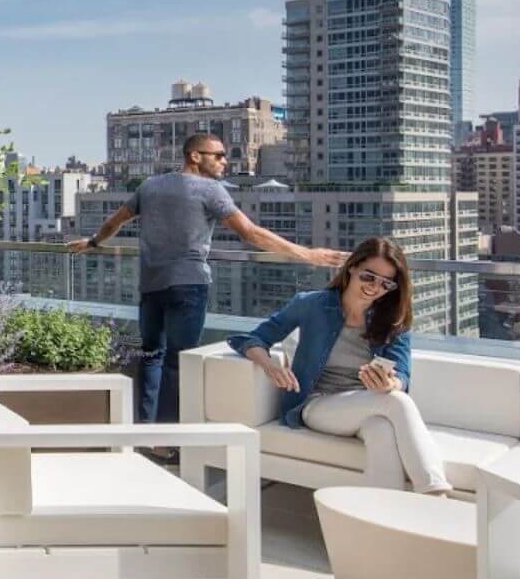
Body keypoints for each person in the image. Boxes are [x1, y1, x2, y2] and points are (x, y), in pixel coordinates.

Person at [69, 133, 347, 436]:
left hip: (151, 286)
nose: (225, 161)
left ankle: (147, 431)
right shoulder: (210, 190)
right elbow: (250, 233)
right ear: (195, 156)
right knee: (179, 362)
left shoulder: (149, 186)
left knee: (151, 356)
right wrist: (308, 254)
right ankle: (167, 439)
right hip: (189, 286)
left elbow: (115, 221)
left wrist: (93, 241)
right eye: (218, 155)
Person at [228, 238, 450, 495]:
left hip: (367, 405)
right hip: (317, 404)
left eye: (385, 283)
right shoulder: (312, 304)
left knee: (382, 431)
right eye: (369, 276)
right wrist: (270, 367)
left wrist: (390, 383)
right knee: (397, 401)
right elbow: (253, 339)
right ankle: (436, 495)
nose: (374, 287)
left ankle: (384, 513)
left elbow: (402, 373)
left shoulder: (393, 319)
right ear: (352, 267)